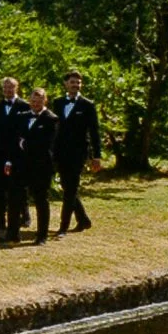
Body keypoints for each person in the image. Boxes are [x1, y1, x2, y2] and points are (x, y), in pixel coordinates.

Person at [4, 84, 60, 244]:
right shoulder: (22, 116)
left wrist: (25, 143)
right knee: (14, 199)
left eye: (39, 101)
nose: (36, 104)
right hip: (20, 164)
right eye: (33, 101)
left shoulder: (51, 119)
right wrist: (10, 159)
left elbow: (46, 144)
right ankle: (12, 234)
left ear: (45, 101)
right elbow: (15, 140)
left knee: (41, 200)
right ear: (29, 100)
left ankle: (42, 236)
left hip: (41, 165)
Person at [53, 71, 104, 233]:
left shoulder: (88, 105)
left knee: (71, 189)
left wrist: (96, 156)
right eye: (72, 82)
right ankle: (83, 220)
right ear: (66, 84)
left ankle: (63, 226)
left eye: (78, 83)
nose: (75, 85)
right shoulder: (58, 103)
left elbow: (94, 131)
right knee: (66, 187)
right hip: (60, 152)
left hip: (78, 153)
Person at [0, 76, 27, 236]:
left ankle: (24, 216)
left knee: (17, 187)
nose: (8, 90)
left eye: (11, 87)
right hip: (0, 152)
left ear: (17, 88)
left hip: (18, 153)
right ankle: (0, 220)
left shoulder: (25, 106)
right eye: (5, 88)